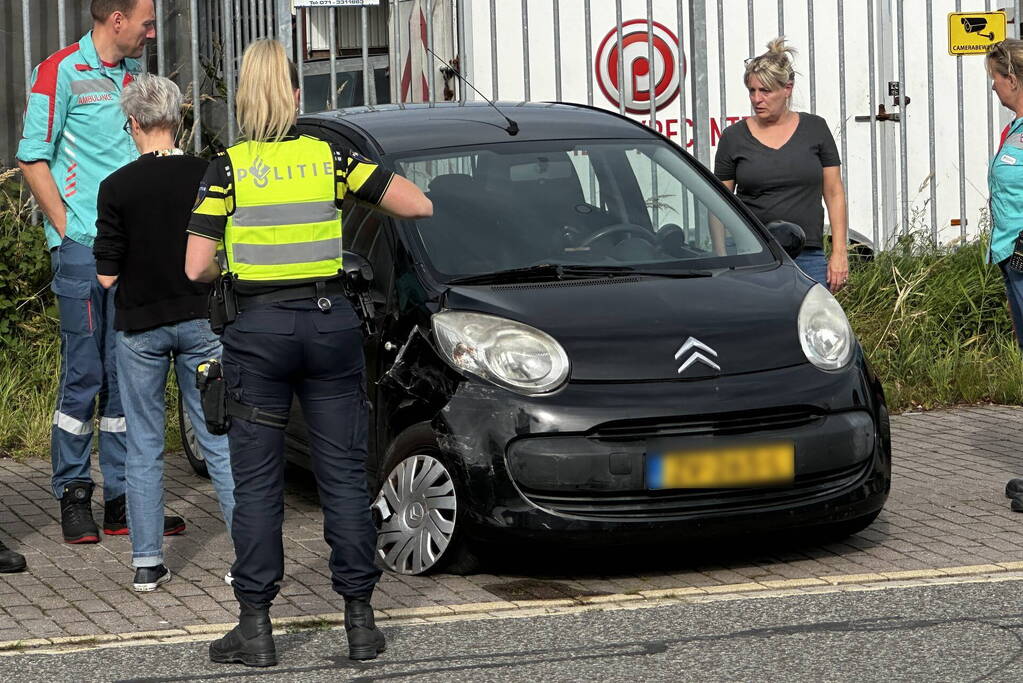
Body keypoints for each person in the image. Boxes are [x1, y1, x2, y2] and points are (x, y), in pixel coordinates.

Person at [184, 39, 432, 667]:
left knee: (261, 484)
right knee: (345, 477)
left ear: (242, 99)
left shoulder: (229, 168)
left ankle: (257, 627)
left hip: (259, 334)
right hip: (330, 329)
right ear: (297, 95)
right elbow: (416, 203)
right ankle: (360, 622)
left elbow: (195, 266)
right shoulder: (330, 156)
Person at [16, 0, 179, 545]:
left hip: (133, 252)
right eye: (146, 21)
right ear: (116, 20)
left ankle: (121, 498)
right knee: (85, 374)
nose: (151, 31)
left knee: (126, 376)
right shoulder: (59, 70)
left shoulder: (138, 76)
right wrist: (66, 230)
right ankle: (73, 492)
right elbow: (31, 156)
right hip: (84, 250)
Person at [93, 74, 237, 591]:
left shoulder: (116, 187)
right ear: (179, 120)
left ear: (133, 123)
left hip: (140, 329)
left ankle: (148, 563)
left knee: (145, 444)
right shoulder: (210, 173)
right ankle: (248, 556)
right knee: (219, 437)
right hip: (202, 322)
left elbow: (107, 275)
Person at [714, 37, 850, 293]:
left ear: (787, 89)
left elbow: (834, 192)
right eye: (752, 91)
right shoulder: (733, 137)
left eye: (765, 91)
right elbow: (718, 204)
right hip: (752, 257)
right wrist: (723, 260)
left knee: (813, 325)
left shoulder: (815, 129)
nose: (757, 99)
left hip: (808, 255)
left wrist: (839, 253)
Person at [985, 40, 1023, 511]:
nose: (993, 86)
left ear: (1012, 77)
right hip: (1012, 262)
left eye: (995, 77)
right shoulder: (1015, 129)